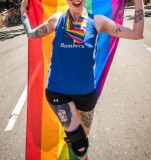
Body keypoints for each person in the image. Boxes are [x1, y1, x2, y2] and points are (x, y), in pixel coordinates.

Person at [21, 0, 144, 159]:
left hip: (86, 95)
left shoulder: (98, 21)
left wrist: (139, 2)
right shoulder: (56, 20)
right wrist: (23, 11)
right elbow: (31, 34)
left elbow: (137, 34)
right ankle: (74, 145)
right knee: (79, 145)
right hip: (57, 91)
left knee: (81, 140)